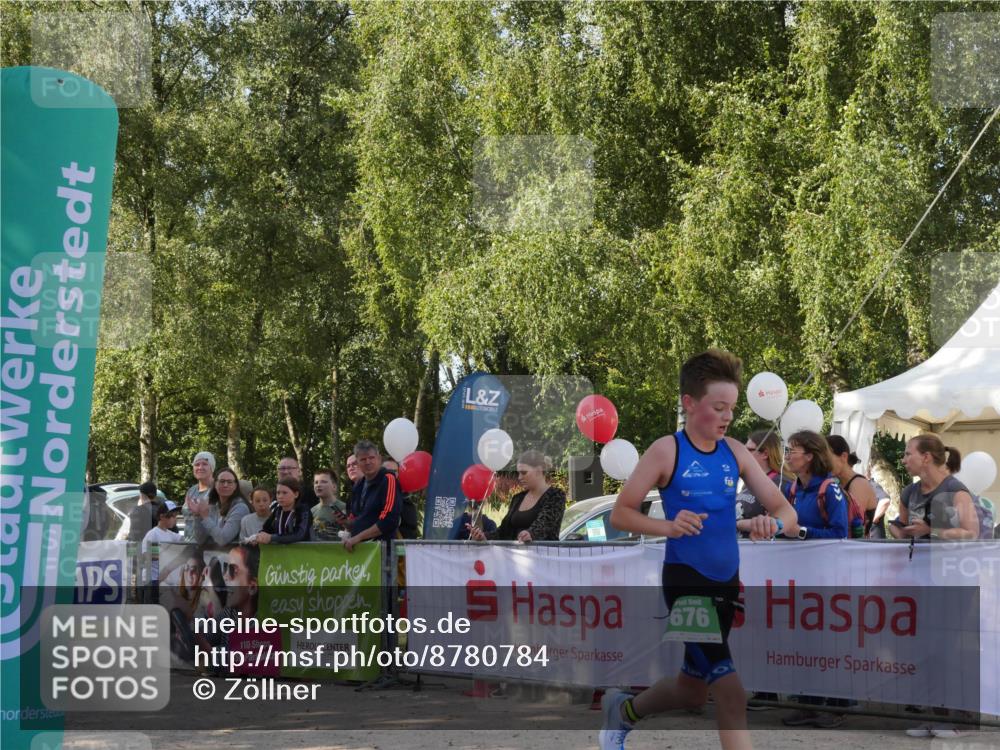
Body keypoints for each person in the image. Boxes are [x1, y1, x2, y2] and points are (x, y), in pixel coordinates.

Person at [599, 349, 799, 750]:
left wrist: (772, 524)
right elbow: (621, 514)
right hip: (686, 582)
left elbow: (787, 513)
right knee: (731, 693)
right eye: (718, 408)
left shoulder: (735, 452)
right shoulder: (666, 450)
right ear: (689, 403)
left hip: (726, 583)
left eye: (732, 409)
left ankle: (623, 711)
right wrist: (668, 526)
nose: (727, 417)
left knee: (692, 691)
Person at [889, 435, 978, 541]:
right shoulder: (909, 492)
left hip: (948, 552)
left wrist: (930, 531)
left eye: (908, 454)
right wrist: (898, 530)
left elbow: (971, 534)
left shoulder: (955, 491)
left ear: (926, 457)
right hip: (916, 552)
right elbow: (902, 527)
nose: (903, 461)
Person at [468, 450, 565, 542]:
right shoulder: (517, 498)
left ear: (539, 471)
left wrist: (531, 534)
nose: (519, 477)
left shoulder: (556, 495)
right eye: (518, 473)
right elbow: (503, 531)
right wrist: (484, 536)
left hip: (543, 553)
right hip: (515, 553)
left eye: (524, 473)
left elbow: (545, 524)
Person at [343, 441, 401, 552]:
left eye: (371, 458)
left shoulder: (388, 479)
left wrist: (358, 537)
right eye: (363, 459)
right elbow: (357, 520)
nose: (368, 462)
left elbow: (389, 520)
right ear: (358, 463)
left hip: (382, 551)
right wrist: (345, 522)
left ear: (379, 459)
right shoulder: (358, 485)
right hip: (359, 551)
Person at [734, 429, 791, 539]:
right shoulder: (749, 480)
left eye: (749, 450)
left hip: (761, 546)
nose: (744, 454)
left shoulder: (781, 483)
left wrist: (741, 524)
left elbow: (784, 521)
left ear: (765, 454)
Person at [827, 435, 876, 537]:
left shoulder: (859, 484)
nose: (823, 463)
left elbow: (850, 522)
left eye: (827, 458)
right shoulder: (838, 483)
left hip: (857, 545)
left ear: (844, 457)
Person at [188, 467, 250, 546]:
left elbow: (222, 539)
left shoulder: (241, 508)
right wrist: (198, 516)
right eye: (222, 481)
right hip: (212, 552)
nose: (225, 485)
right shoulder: (212, 506)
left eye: (229, 482)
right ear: (215, 484)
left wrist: (205, 517)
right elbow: (200, 540)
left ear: (235, 486)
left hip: (233, 553)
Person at [250, 478, 311, 545]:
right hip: (280, 551)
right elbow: (266, 529)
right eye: (278, 493)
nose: (280, 496)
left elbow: (300, 535)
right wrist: (259, 537)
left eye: (284, 493)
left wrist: (272, 538)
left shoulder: (303, 510)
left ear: (296, 494)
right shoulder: (277, 510)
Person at [182, 451, 216, 541]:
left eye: (205, 464)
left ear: (212, 468)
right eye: (197, 464)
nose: (200, 467)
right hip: (189, 542)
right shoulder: (191, 491)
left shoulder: (217, 489)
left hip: (209, 544)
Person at [385, 458, 420, 540]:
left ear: (398, 474)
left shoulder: (404, 499)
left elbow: (410, 530)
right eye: (386, 471)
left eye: (394, 471)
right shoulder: (371, 492)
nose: (390, 474)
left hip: (395, 545)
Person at [311, 469, 348, 541]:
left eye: (323, 482)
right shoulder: (312, 511)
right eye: (316, 482)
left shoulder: (344, 508)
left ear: (334, 486)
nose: (318, 485)